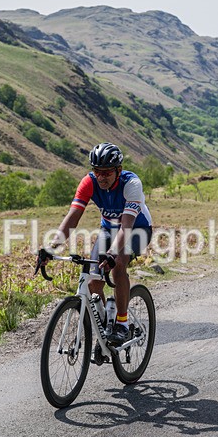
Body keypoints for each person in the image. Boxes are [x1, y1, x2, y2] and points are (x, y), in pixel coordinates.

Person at [41, 142, 153, 346]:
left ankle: (121, 323)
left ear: (118, 170)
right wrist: (52, 246)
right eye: (97, 171)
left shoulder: (131, 183)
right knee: (93, 279)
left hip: (137, 229)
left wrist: (111, 253)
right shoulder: (89, 182)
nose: (101, 177)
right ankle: (104, 326)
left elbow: (126, 226)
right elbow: (73, 216)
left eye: (107, 172)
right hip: (108, 230)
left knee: (118, 263)